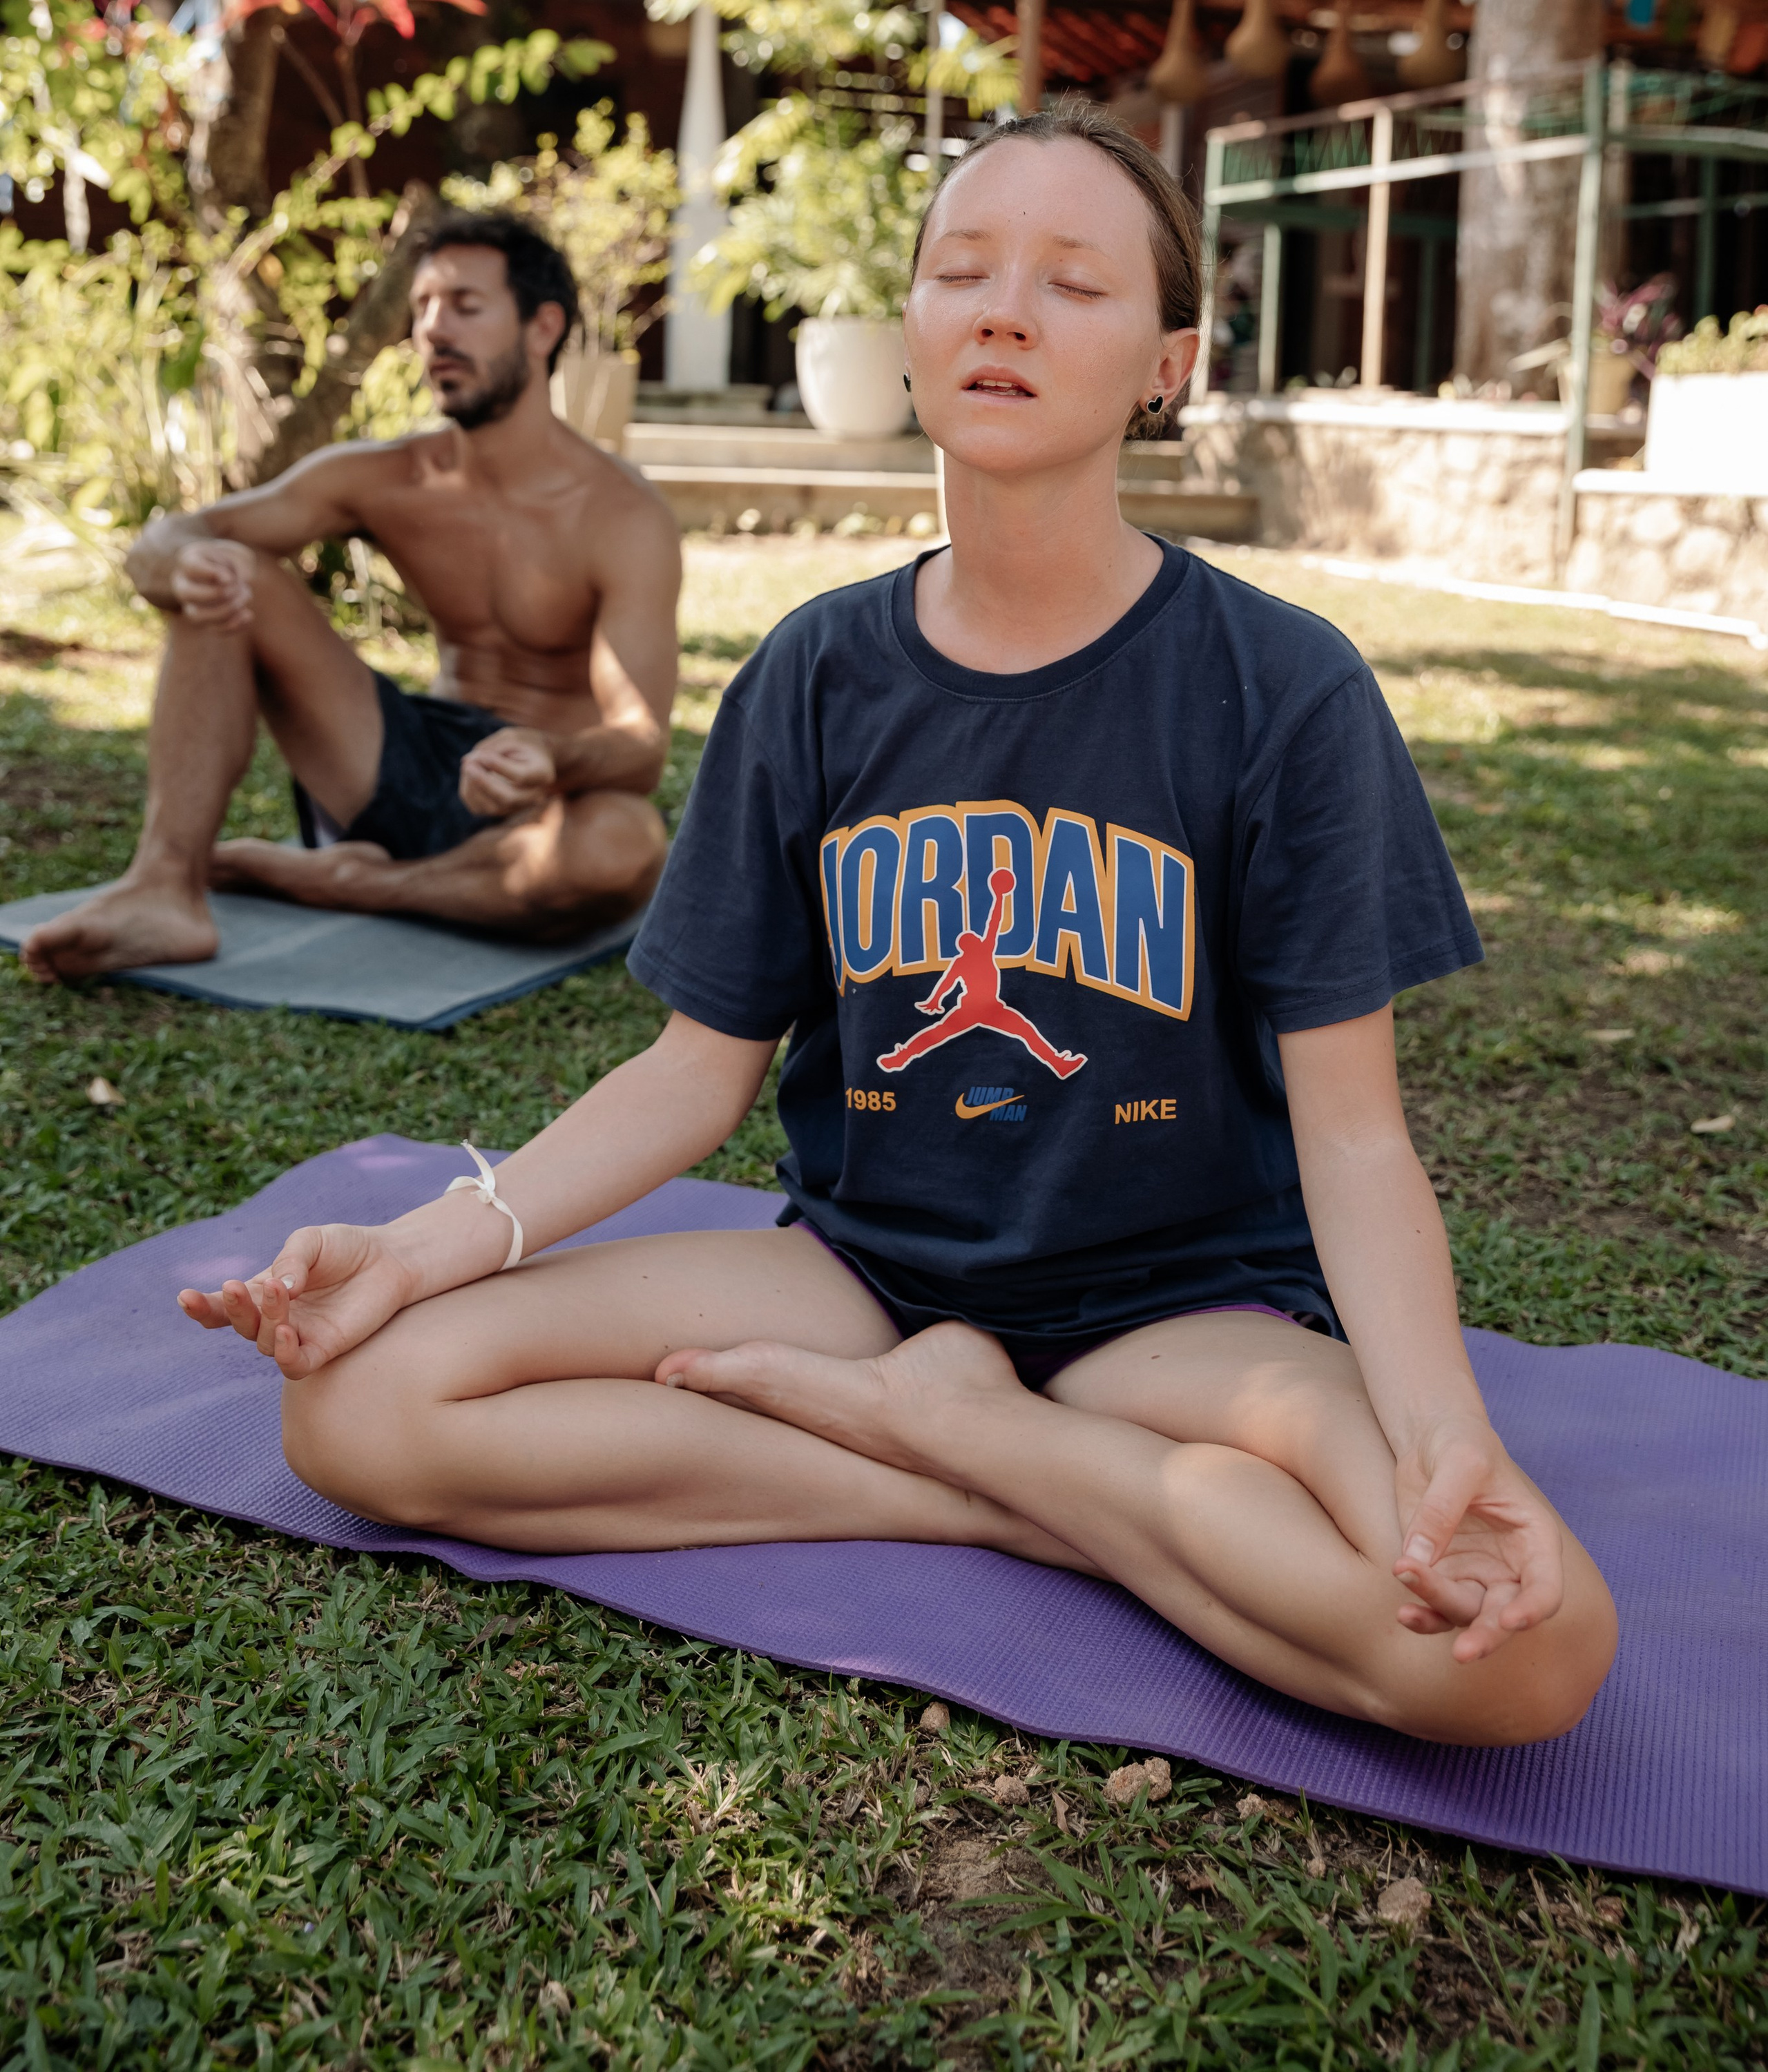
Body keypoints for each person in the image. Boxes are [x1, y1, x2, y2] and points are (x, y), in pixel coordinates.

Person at [177, 108, 1617, 1745]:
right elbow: (692, 1070)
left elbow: (1355, 1142)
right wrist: (428, 1239)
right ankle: (996, 1481)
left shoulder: (1279, 687)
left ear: (1163, 360)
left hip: (1179, 1313)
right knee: (358, 1410)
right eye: (962, 269)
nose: (1002, 309)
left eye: (1072, 282)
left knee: (1518, 1645)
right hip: (859, 1272)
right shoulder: (811, 672)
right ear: (914, 325)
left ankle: (976, 1437)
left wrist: (1438, 1430)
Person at [23, 213, 678, 980]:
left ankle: (342, 880)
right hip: (393, 761)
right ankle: (164, 886)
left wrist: (551, 756)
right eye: (424, 306)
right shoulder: (386, 475)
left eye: (465, 305)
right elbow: (175, 534)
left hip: (537, 803)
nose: (432, 329)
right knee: (223, 567)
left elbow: (640, 746)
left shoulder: (623, 517)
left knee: (625, 847)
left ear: (543, 328)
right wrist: (176, 565)